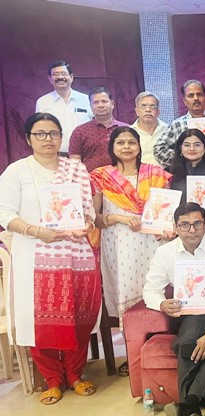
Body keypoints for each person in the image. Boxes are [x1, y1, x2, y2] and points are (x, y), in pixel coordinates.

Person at [0, 113, 100, 404]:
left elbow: (88, 211)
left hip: (75, 252)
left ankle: (76, 374)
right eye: (40, 134)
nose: (48, 139)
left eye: (53, 133)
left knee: (77, 313)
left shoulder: (76, 169)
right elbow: (5, 214)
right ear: (28, 138)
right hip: (34, 255)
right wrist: (37, 231)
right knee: (40, 318)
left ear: (61, 137)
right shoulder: (17, 171)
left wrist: (88, 222)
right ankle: (53, 379)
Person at [90, 127, 172, 375]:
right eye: (120, 142)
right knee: (128, 296)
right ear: (112, 147)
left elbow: (166, 211)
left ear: (139, 146)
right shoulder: (102, 177)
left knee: (156, 290)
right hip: (119, 245)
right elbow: (95, 219)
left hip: (152, 243)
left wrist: (166, 228)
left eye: (131, 142)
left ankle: (160, 350)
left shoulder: (156, 175)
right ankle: (133, 355)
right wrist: (119, 218)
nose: (126, 147)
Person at [142, 203, 205, 416]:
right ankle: (191, 405)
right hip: (190, 314)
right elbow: (150, 290)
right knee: (188, 340)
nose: (192, 230)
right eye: (185, 225)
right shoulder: (165, 252)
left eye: (197, 224)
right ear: (175, 227)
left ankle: (188, 405)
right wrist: (161, 304)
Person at [154, 80, 205, 175]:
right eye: (191, 95)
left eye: (199, 94)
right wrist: (181, 159)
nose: (196, 98)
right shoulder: (177, 125)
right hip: (186, 176)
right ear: (184, 101)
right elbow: (159, 149)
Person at [35, 60, 92, 154]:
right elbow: (39, 131)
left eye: (63, 73)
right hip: (55, 155)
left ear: (71, 77)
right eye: (55, 74)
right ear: (50, 79)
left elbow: (95, 125)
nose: (60, 77)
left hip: (86, 154)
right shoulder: (42, 102)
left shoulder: (86, 99)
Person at [69, 86, 129, 173]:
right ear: (90, 106)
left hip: (122, 178)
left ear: (112, 104)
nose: (100, 105)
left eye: (104, 101)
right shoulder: (79, 131)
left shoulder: (126, 129)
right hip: (90, 179)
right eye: (96, 102)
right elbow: (75, 163)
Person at [131, 92, 169, 166]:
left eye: (152, 106)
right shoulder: (130, 132)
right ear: (137, 111)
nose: (148, 110)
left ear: (158, 111)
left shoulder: (168, 130)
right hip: (139, 172)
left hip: (166, 172)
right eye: (143, 106)